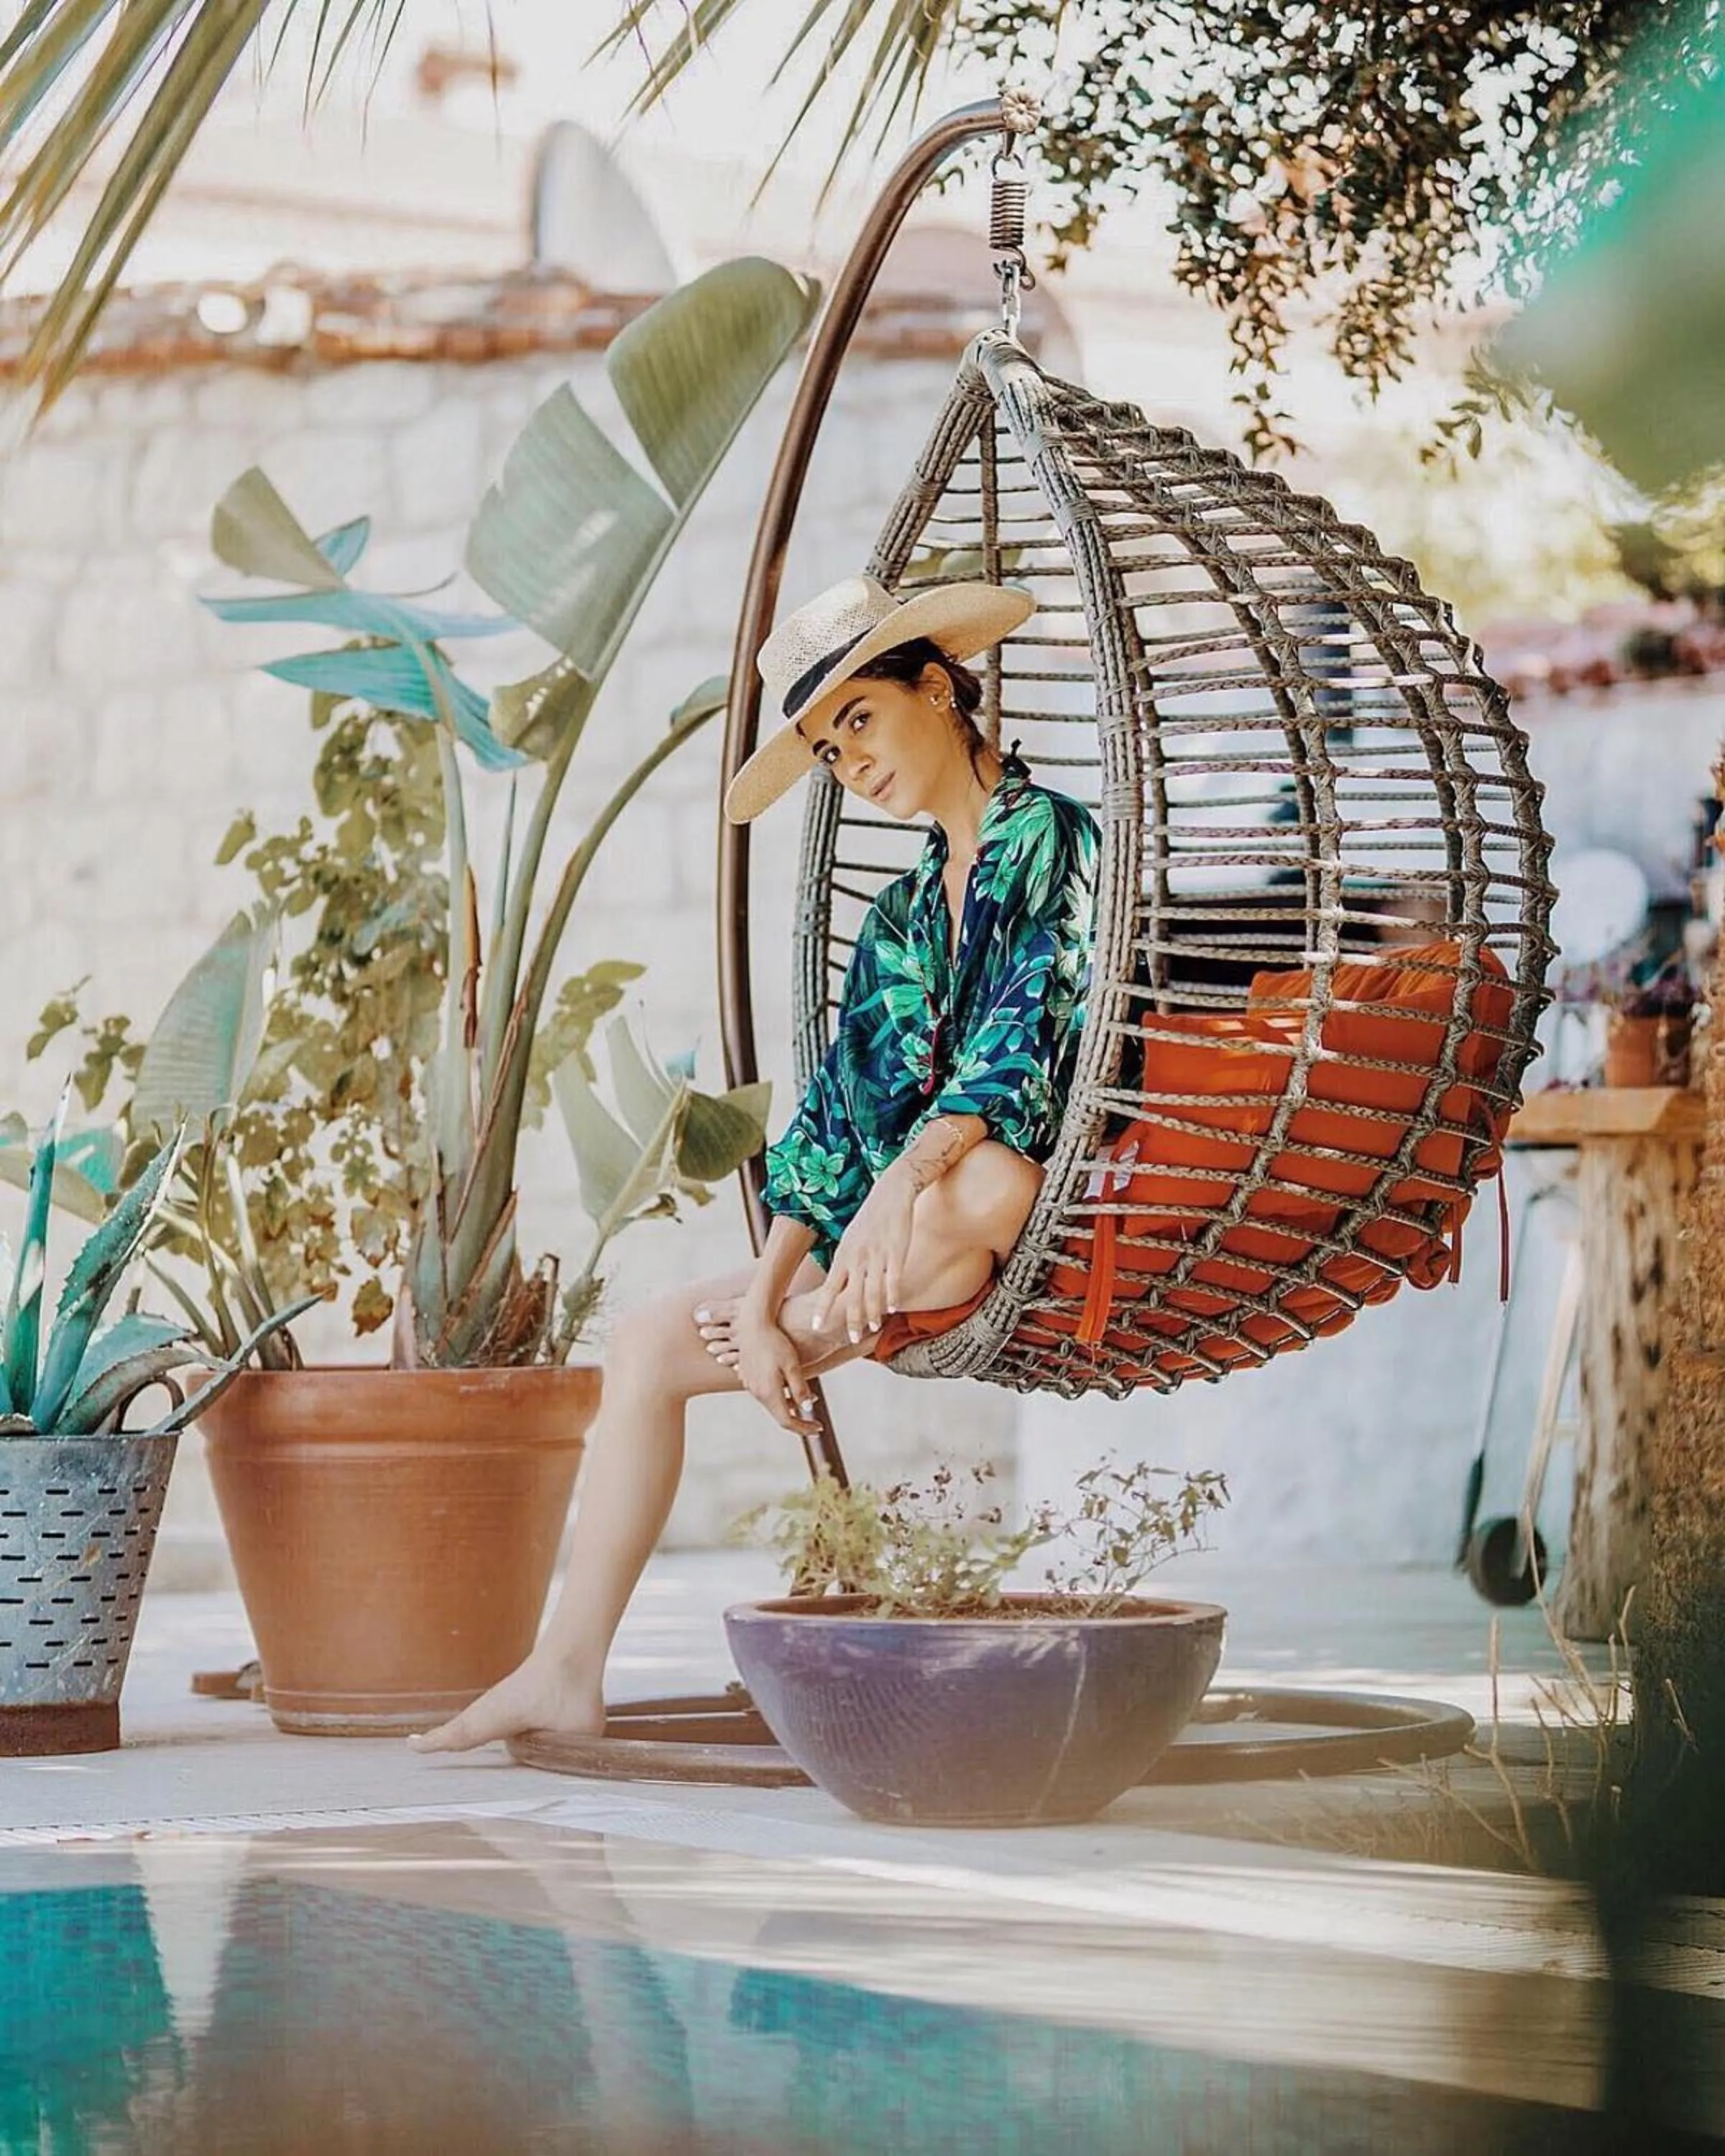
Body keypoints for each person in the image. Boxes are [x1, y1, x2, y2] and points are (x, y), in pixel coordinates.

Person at [410, 573, 1098, 1752]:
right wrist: (773, 1302)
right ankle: (566, 1670)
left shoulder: (1054, 839)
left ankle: (845, 1313)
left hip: (1017, 1217)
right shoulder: (895, 922)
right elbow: (836, 1119)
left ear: (936, 688)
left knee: (981, 1182)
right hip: (889, 1256)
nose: (851, 763)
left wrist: (896, 1194)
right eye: (829, 751)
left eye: (861, 721)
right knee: (643, 1345)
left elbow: (1019, 1052)